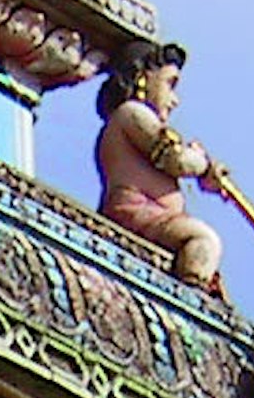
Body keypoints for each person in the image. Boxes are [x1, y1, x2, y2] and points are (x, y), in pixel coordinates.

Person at [96, 39, 226, 293]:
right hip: (138, 212)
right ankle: (191, 296)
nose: (174, 99)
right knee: (203, 240)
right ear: (144, 77)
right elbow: (173, 159)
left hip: (156, 216)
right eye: (170, 83)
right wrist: (202, 164)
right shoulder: (131, 113)